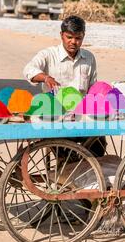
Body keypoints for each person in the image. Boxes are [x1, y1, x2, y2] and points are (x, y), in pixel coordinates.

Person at [23, 15, 106, 156]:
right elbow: (28, 69)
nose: (73, 42)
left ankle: (90, 173)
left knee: (98, 143)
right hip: (55, 117)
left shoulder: (89, 58)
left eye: (78, 38)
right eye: (69, 37)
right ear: (61, 35)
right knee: (62, 150)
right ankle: (66, 171)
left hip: (82, 117)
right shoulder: (48, 54)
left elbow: (93, 88)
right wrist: (45, 77)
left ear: (83, 37)